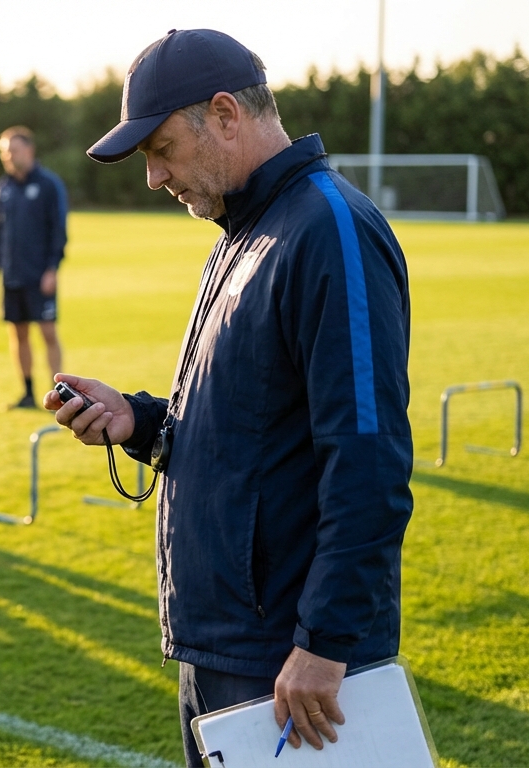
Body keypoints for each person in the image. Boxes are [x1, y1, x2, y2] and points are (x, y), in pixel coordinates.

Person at [47, 29, 414, 766]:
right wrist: (140, 421)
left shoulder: (328, 229)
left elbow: (368, 461)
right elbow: (250, 424)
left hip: (289, 659)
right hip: (223, 645)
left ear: (224, 113)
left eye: (160, 151)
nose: (154, 179)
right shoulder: (241, 231)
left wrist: (325, 644)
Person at [0, 126, 68, 410]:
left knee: (48, 333)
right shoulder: (2, 188)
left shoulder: (48, 185)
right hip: (11, 275)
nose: (8, 156)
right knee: (18, 335)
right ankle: (28, 393)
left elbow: (58, 230)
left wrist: (52, 269)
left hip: (39, 275)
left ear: (29, 150)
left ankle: (60, 394)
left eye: (13, 150)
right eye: (4, 151)